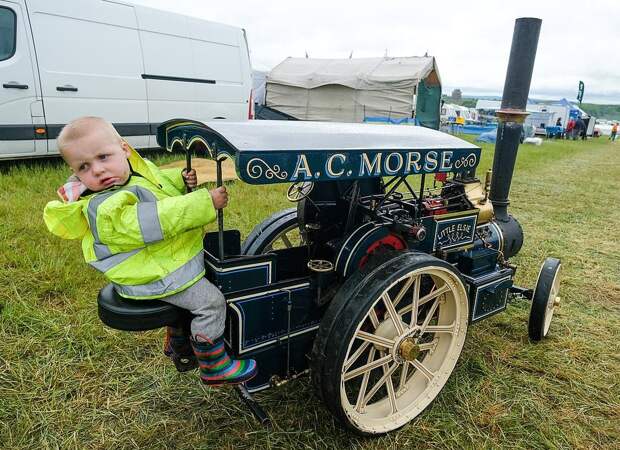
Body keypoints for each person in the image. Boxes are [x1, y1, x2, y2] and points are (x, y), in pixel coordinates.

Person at [43, 116, 257, 386]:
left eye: (103, 157)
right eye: (84, 167)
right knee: (211, 303)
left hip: (156, 267)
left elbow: (154, 183)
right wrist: (205, 201)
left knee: (195, 290)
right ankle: (214, 365)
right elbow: (160, 216)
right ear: (75, 172)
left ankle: (179, 342)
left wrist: (179, 179)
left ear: (124, 150)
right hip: (151, 277)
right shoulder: (106, 207)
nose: (98, 171)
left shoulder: (130, 174)